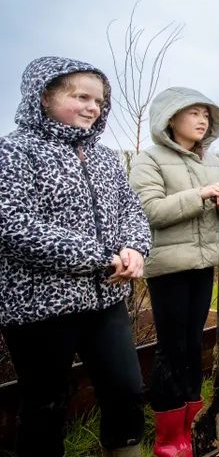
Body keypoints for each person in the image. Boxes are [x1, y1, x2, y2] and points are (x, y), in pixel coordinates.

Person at [0, 57, 150, 457]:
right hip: (40, 305)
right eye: (81, 97)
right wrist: (101, 256)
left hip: (106, 298)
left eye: (99, 101)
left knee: (127, 389)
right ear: (44, 96)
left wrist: (135, 248)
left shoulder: (104, 157)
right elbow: (13, 225)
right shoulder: (14, 150)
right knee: (46, 402)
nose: (93, 107)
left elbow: (130, 209)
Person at [129, 87, 219, 457]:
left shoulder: (212, 161)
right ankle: (167, 436)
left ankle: (193, 424)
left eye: (206, 115)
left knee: (194, 344)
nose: (202, 120)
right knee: (172, 346)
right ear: (170, 118)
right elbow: (150, 211)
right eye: (193, 113)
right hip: (168, 268)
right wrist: (202, 195)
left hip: (203, 264)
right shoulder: (149, 159)